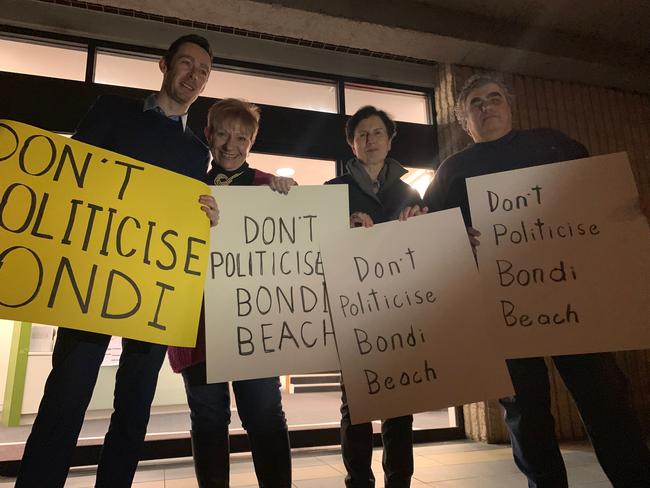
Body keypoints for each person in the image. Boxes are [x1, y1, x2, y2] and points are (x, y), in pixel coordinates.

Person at [424, 73, 650, 488]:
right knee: (525, 413)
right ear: (463, 120)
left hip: (575, 301)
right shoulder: (450, 173)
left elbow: (599, 197)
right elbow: (431, 241)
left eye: (495, 99)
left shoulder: (554, 144)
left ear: (510, 108)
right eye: (476, 102)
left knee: (606, 399)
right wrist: (456, 239)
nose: (487, 107)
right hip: (502, 312)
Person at [16, 34, 218, 488]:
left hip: (154, 296)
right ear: (163, 65)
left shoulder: (196, 154)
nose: (194, 76)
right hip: (90, 284)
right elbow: (70, 178)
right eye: (186, 64)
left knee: (134, 409)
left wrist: (207, 216)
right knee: (65, 401)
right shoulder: (112, 112)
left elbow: (184, 224)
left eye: (203, 71)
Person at [167, 98, 295, 488]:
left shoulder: (268, 188)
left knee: (264, 416)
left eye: (242, 136)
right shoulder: (186, 187)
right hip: (198, 326)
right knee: (207, 421)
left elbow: (294, 254)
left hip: (253, 327)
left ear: (252, 141)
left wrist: (292, 202)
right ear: (208, 134)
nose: (230, 144)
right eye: (222, 132)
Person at [325, 105, 425, 488]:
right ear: (352, 143)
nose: (370, 140)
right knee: (357, 406)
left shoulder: (409, 190)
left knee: (401, 404)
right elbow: (316, 247)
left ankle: (399, 481)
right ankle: (358, 481)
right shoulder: (333, 192)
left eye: (377, 133)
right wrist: (343, 228)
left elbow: (426, 248)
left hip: (400, 310)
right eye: (362, 134)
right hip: (353, 312)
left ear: (389, 139)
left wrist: (419, 223)